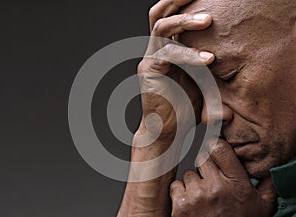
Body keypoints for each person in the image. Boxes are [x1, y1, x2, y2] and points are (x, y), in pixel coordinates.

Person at [117, 0, 296, 216]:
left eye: (228, 76)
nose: (208, 115)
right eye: (200, 86)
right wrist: (158, 137)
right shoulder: (237, 195)